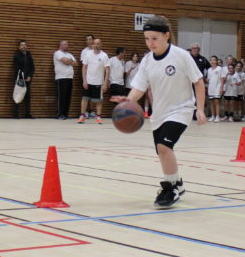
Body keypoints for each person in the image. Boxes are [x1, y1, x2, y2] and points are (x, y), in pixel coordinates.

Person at [114, 15, 205, 208]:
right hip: (159, 114)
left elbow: (198, 81)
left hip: (181, 110)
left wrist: (200, 109)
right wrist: (128, 102)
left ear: (166, 35)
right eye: (147, 39)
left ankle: (170, 189)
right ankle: (177, 182)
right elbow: (139, 87)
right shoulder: (147, 61)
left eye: (154, 38)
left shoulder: (181, 55)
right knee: (162, 152)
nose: (150, 43)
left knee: (164, 146)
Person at [78, 37, 109, 124]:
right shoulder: (88, 54)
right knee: (84, 98)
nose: (96, 45)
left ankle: (98, 116)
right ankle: (82, 116)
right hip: (88, 81)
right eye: (95, 43)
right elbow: (84, 67)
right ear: (92, 45)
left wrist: (105, 83)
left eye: (98, 43)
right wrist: (84, 80)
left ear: (101, 45)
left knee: (99, 101)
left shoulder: (104, 55)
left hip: (99, 82)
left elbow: (107, 70)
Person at [53, 40, 76, 119]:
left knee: (68, 97)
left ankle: (65, 114)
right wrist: (70, 61)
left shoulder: (70, 54)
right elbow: (65, 61)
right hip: (61, 78)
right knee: (61, 97)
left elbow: (75, 63)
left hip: (69, 78)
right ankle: (60, 114)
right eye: (65, 44)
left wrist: (69, 61)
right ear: (60, 45)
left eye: (67, 44)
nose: (67, 46)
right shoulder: (57, 53)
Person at [12, 40, 35, 118]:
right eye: (22, 45)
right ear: (19, 47)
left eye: (25, 45)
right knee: (18, 94)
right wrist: (23, 77)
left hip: (28, 79)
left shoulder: (29, 56)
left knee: (27, 96)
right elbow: (17, 68)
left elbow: (32, 68)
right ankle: (16, 114)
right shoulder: (17, 56)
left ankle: (27, 114)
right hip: (20, 79)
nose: (23, 46)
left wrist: (29, 76)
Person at [205, 55, 222, 122]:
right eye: (211, 60)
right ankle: (212, 116)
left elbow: (222, 79)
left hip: (217, 87)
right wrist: (206, 80)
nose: (212, 61)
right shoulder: (209, 70)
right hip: (211, 87)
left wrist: (221, 88)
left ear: (216, 61)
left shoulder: (219, 68)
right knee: (211, 102)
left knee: (216, 102)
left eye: (214, 60)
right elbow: (208, 79)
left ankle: (217, 116)